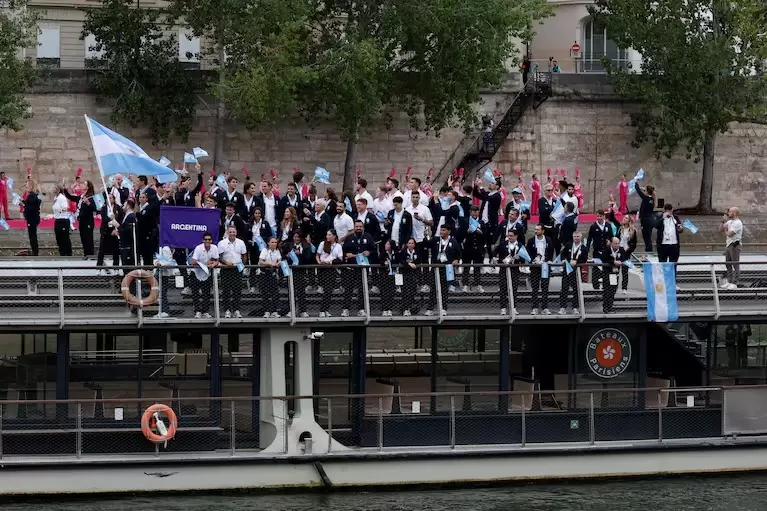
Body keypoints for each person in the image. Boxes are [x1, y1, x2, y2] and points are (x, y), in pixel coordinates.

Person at [342, 219, 378, 317]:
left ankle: (361, 309)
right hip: (351, 268)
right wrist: (347, 254)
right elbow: (342, 252)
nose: (358, 228)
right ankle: (346, 309)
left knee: (362, 289)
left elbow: (374, 251)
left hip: (363, 269)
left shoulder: (368, 237)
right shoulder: (349, 238)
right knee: (348, 289)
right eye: (356, 226)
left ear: (363, 227)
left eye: (360, 227)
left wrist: (369, 253)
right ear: (354, 228)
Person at [427, 224, 461, 316]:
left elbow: (458, 253)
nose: (441, 232)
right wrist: (426, 235)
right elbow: (426, 245)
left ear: (449, 231)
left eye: (444, 230)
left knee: (444, 290)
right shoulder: (436, 240)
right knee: (433, 290)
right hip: (436, 268)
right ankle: (430, 309)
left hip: (447, 269)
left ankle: (443, 309)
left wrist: (456, 259)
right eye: (441, 230)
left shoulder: (453, 241)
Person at [406, 190, 433, 291]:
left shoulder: (424, 209)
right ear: (411, 198)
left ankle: (425, 283)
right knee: (413, 262)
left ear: (419, 198)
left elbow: (431, 223)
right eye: (414, 197)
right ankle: (415, 283)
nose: (415, 199)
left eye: (417, 197)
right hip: (411, 240)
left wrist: (422, 219)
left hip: (421, 238)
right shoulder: (407, 209)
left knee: (424, 261)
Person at [218, 225, 247, 319]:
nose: (232, 234)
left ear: (236, 232)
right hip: (226, 269)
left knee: (237, 290)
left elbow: (244, 256)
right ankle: (227, 310)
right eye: (230, 232)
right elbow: (219, 257)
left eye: (233, 232)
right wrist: (226, 263)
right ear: (227, 232)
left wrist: (242, 266)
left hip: (237, 269)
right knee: (226, 290)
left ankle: (236, 310)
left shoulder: (241, 242)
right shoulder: (222, 243)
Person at [526, 224, 554, 315]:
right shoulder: (531, 241)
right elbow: (528, 252)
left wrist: (549, 260)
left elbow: (550, 251)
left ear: (543, 231)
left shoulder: (548, 240)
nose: (536, 231)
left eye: (538, 229)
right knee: (535, 288)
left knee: (545, 287)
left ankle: (545, 308)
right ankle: (534, 308)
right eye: (535, 229)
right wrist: (532, 260)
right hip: (535, 267)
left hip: (545, 267)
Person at [190, 232, 219, 319]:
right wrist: (205, 264)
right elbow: (193, 262)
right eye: (205, 239)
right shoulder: (198, 248)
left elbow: (217, 260)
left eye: (209, 239)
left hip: (207, 274)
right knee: (195, 294)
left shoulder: (214, 248)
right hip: (196, 273)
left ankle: (205, 311)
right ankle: (197, 312)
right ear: (203, 240)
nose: (207, 241)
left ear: (211, 240)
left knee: (206, 293)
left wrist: (214, 264)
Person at [286, 231, 315, 317]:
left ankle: (303, 311)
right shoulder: (289, 245)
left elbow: (309, 258)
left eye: (298, 237)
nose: (296, 239)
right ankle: (291, 310)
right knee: (291, 291)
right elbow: (284, 257)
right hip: (291, 272)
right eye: (295, 237)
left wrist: (300, 254)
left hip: (301, 271)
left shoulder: (306, 246)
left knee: (301, 291)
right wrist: (288, 256)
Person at [559, 231, 587, 315]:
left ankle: (575, 308)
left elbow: (584, 259)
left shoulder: (584, 248)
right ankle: (563, 307)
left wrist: (577, 262)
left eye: (578, 236)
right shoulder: (569, 245)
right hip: (567, 270)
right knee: (564, 288)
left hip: (577, 271)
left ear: (581, 237)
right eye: (575, 236)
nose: (576, 238)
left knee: (576, 290)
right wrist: (564, 260)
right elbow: (562, 254)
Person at [316, 229, 343, 317]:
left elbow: (340, 259)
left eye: (329, 235)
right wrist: (319, 262)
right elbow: (317, 255)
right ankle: (322, 310)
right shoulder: (322, 244)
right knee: (325, 290)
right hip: (323, 269)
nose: (327, 236)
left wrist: (330, 262)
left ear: (334, 236)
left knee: (329, 290)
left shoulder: (338, 246)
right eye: (327, 235)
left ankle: (325, 309)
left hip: (331, 269)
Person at [495, 229, 522, 315]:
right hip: (504, 270)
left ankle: (513, 308)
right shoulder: (503, 244)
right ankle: (503, 308)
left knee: (514, 289)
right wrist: (497, 259)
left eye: (511, 236)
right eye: (508, 235)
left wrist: (520, 258)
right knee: (503, 289)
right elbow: (495, 252)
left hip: (515, 270)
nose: (509, 237)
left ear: (516, 236)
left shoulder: (520, 245)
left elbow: (525, 257)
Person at [461, 205, 486, 292]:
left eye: (476, 211)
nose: (474, 213)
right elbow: (460, 233)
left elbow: (485, 235)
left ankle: (478, 284)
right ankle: (465, 284)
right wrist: (467, 232)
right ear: (470, 212)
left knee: (477, 267)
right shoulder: (465, 221)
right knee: (466, 267)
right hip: (468, 248)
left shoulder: (481, 222)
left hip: (478, 248)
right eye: (472, 211)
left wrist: (481, 232)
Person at [258, 236, 283, 318]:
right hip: (264, 274)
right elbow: (260, 261)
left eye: (275, 242)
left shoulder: (277, 251)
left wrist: (278, 263)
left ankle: (274, 311)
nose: (274, 244)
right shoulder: (265, 250)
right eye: (272, 242)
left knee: (275, 293)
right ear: (268, 243)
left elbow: (279, 260)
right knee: (265, 293)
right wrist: (269, 264)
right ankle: (266, 311)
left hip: (273, 274)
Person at [586, 210, 612, 291]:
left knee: (606, 268)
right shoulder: (593, 226)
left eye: (600, 216)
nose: (599, 218)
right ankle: (596, 286)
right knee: (596, 268)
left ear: (604, 216)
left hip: (606, 251)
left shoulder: (608, 225)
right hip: (597, 251)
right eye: (597, 216)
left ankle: (605, 285)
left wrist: (610, 242)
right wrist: (587, 250)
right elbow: (589, 239)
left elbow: (611, 236)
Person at [601, 237, 627, 313]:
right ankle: (605, 307)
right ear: (611, 243)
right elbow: (604, 258)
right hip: (607, 273)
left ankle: (610, 307)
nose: (617, 245)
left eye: (618, 243)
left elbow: (624, 258)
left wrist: (620, 261)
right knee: (607, 290)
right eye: (615, 243)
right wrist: (613, 262)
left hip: (615, 274)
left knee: (613, 290)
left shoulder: (621, 250)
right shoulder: (607, 250)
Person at [96, 192, 121, 273]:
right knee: (101, 251)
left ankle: (116, 268)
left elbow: (120, 218)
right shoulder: (104, 208)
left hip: (114, 231)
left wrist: (117, 228)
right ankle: (98, 268)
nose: (109, 200)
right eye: (108, 198)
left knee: (116, 251)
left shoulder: (118, 208)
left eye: (111, 198)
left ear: (114, 199)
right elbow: (104, 219)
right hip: (106, 231)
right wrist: (110, 218)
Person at [720, 207, 743, 289]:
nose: (728, 213)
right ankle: (729, 281)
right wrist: (723, 221)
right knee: (728, 264)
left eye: (730, 211)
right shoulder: (729, 222)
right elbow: (720, 229)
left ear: (735, 213)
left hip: (735, 245)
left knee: (735, 264)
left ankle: (735, 283)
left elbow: (730, 234)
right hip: (729, 245)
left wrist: (725, 229)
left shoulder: (738, 223)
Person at [398, 238, 421, 316]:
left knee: (412, 292)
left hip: (413, 276)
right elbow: (401, 260)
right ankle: (405, 309)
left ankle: (409, 308)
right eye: (409, 243)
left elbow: (418, 261)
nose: (411, 245)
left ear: (414, 244)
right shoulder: (403, 252)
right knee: (405, 292)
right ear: (407, 244)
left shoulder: (417, 252)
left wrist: (413, 264)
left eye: (412, 243)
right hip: (404, 275)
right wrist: (408, 263)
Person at [154, 245, 176, 319]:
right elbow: (157, 259)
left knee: (162, 292)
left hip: (164, 273)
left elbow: (169, 262)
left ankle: (165, 311)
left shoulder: (165, 248)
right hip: (160, 272)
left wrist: (161, 264)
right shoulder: (160, 247)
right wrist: (156, 263)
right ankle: (161, 311)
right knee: (160, 292)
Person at [20, 178, 41, 256]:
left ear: (31, 186)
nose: (26, 186)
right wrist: (23, 201)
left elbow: (31, 208)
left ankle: (35, 252)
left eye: (27, 184)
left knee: (32, 235)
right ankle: (34, 251)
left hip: (32, 218)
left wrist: (23, 205)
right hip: (33, 218)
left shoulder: (32, 195)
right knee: (32, 235)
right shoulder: (32, 195)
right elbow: (30, 204)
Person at [618, 215, 638, 293]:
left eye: (626, 218)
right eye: (624, 217)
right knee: (616, 270)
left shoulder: (633, 230)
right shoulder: (620, 228)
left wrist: (629, 249)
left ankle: (624, 288)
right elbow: (616, 238)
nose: (623, 219)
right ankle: (614, 286)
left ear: (629, 221)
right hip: (619, 250)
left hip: (626, 252)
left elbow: (634, 244)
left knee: (625, 270)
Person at [51, 184, 73, 256]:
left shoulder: (62, 198)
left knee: (65, 238)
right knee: (59, 238)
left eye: (54, 187)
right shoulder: (55, 198)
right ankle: (62, 252)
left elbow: (65, 208)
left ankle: (68, 253)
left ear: (58, 189)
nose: (53, 189)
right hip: (58, 220)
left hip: (63, 220)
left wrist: (59, 210)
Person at [635, 182, 656, 252]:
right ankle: (648, 250)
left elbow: (638, 191)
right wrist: (644, 189)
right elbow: (647, 193)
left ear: (647, 191)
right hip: (650, 219)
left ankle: (648, 250)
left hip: (646, 220)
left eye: (645, 190)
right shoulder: (652, 199)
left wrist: (636, 183)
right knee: (648, 236)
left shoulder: (646, 198)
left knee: (646, 236)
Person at [380, 239, 398, 317]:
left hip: (393, 275)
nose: (385, 245)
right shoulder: (383, 253)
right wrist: (384, 263)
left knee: (391, 293)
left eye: (387, 244)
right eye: (386, 244)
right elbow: (379, 261)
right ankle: (384, 309)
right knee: (384, 293)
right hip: (385, 276)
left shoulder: (395, 253)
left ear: (391, 246)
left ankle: (390, 309)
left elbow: (398, 260)